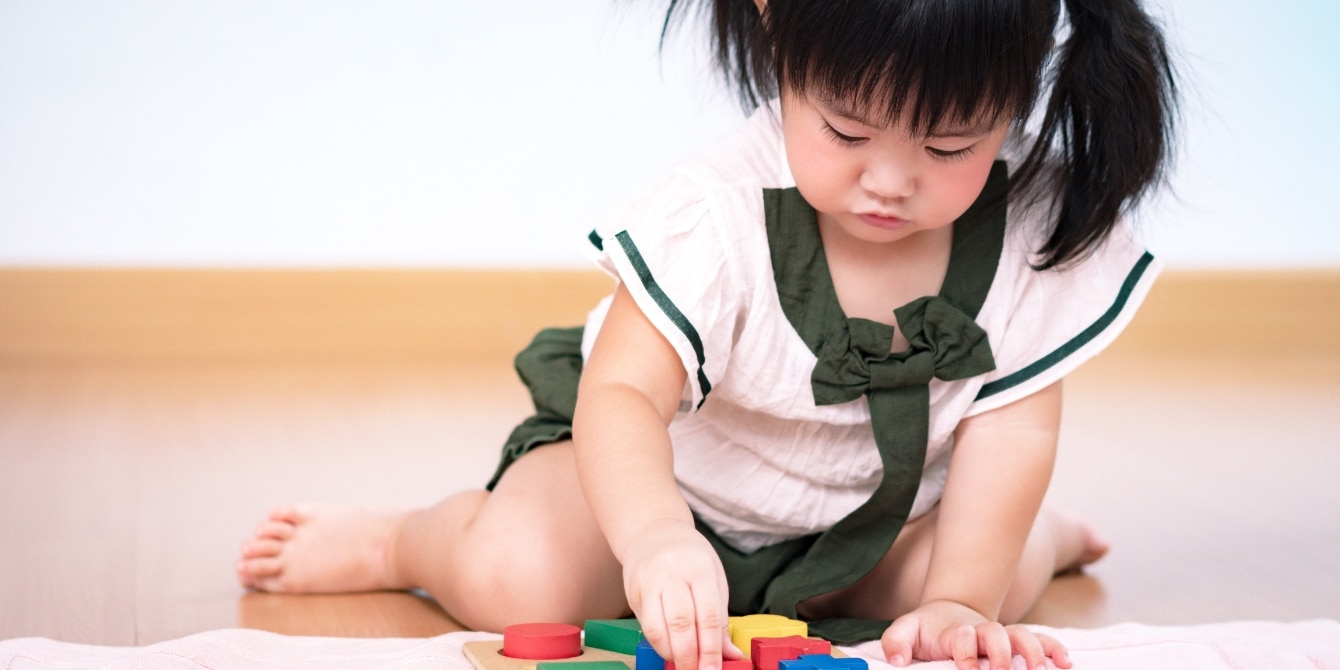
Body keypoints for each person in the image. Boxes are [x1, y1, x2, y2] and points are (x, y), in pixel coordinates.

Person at [237, 0, 1178, 669]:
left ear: (1014, 96)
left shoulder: (1035, 231)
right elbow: (620, 397)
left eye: (949, 146)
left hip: (869, 522)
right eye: (846, 129)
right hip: (663, 480)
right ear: (776, 24)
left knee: (973, 596)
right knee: (519, 575)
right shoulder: (717, 215)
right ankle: (400, 542)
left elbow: (1011, 426)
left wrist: (961, 601)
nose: (889, 182)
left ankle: (1037, 541)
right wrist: (652, 539)